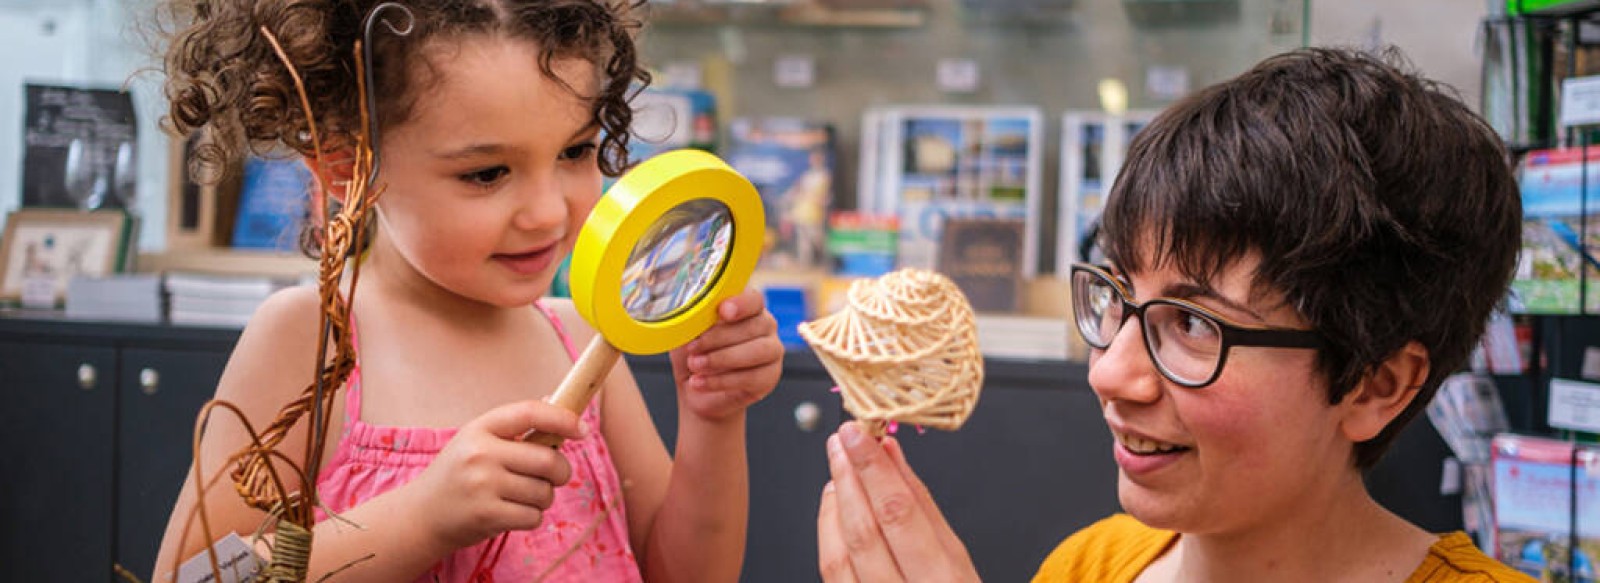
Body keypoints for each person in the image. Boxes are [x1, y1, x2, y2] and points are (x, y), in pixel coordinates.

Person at [816, 47, 1533, 582]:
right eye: (1117, 295)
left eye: (1194, 324)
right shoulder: (1089, 566)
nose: (1111, 373)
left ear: (1376, 385)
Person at [152, 1, 784, 581]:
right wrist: (422, 518)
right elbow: (192, 578)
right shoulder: (311, 338)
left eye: (575, 151)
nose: (546, 212)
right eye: (487, 173)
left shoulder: (583, 339)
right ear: (349, 167)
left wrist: (713, 419)